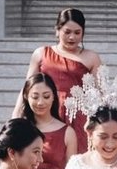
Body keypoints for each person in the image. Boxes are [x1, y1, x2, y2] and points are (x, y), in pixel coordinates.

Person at [13, 8, 102, 152]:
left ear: (83, 33)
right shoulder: (41, 53)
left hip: (77, 114)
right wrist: (17, 113)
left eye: (77, 33)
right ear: (57, 30)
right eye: (67, 32)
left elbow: (99, 94)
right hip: (45, 109)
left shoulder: (91, 57)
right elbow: (28, 87)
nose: (72, 37)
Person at [13, 72, 77, 169]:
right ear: (26, 97)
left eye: (46, 96)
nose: (40, 102)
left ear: (54, 97)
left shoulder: (67, 132)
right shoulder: (20, 128)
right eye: (35, 97)